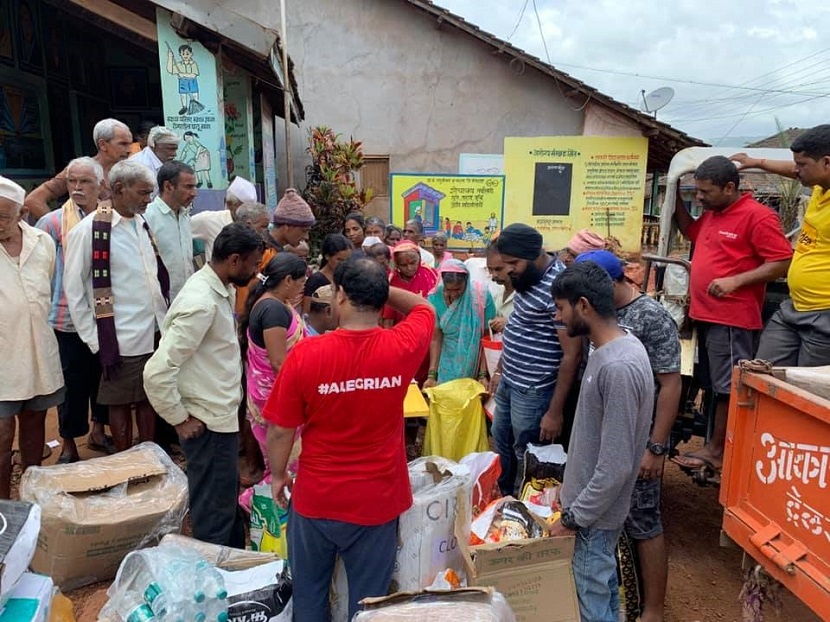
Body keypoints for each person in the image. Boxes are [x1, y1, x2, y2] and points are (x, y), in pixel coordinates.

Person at [263, 257, 436, 621]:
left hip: (317, 498)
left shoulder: (307, 354)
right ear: (379, 298)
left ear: (340, 296)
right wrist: (377, 288)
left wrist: (278, 476)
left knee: (309, 596)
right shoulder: (402, 345)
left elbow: (280, 429)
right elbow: (423, 306)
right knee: (369, 605)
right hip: (378, 501)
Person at [576, 250, 682, 622]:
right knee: (607, 530)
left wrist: (655, 447)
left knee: (644, 522)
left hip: (637, 441)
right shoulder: (599, 317)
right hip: (607, 439)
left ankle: (653, 610)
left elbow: (670, 385)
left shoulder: (651, 317)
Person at [144, 223, 264, 547]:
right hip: (206, 423)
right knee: (214, 509)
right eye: (254, 264)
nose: (256, 272)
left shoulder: (217, 289)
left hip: (218, 417)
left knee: (223, 499)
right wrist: (179, 419)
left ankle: (232, 562)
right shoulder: (201, 302)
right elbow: (157, 371)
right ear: (235, 260)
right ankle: (217, 576)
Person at [671, 156, 792, 472]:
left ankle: (717, 451)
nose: (699, 198)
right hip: (706, 316)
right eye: (696, 191)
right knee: (713, 385)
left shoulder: (757, 217)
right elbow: (690, 231)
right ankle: (714, 445)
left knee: (728, 387)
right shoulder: (714, 213)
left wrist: (735, 281)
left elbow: (781, 261)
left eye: (705, 192)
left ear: (729, 187)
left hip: (731, 318)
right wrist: (673, 200)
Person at [548, 261, 654, 622]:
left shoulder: (618, 367)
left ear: (583, 306)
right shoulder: (614, 347)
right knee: (602, 595)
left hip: (592, 519)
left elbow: (616, 464)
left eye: (561, 308)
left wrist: (574, 518)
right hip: (593, 512)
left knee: (590, 605)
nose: (557, 316)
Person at [64, 160, 169, 453]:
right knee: (120, 402)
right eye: (144, 192)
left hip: (154, 330)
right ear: (120, 189)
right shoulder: (90, 231)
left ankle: (149, 458)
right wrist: (95, 340)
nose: (149, 199)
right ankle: (125, 464)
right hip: (121, 336)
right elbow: (74, 290)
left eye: (151, 192)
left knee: (149, 397)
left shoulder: (141, 224)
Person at [489, 223, 583, 495]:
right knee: (500, 438)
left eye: (511, 263)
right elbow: (518, 325)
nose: (506, 271)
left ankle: (522, 505)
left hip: (534, 390)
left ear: (532, 255)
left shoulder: (559, 288)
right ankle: (503, 495)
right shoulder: (526, 278)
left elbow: (572, 354)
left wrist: (554, 412)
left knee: (526, 452)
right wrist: (500, 372)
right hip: (511, 381)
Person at [732, 125, 830, 367]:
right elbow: (791, 169)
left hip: (824, 316)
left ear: (827, 163)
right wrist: (757, 162)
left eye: (802, 164)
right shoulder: (821, 186)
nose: (796, 170)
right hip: (794, 307)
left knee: (807, 394)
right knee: (763, 372)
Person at [35, 157, 112, 462]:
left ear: (100, 185)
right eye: (72, 182)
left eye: (85, 182)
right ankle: (68, 443)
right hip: (66, 319)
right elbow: (43, 274)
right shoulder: (52, 223)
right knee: (70, 384)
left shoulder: (110, 219)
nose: (77, 188)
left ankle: (98, 431)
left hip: (105, 315)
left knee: (104, 378)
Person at [0, 176, 65, 498]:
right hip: (2, 358)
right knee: (0, 438)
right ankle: (3, 506)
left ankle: (30, 498)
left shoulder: (42, 242)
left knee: (34, 428)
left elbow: (47, 287)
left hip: (39, 352)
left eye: (2, 216)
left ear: (22, 213)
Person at [238, 253, 308, 500]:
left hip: (271, 392)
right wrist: (303, 394)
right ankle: (256, 504)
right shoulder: (273, 311)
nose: (303, 287)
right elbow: (279, 362)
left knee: (282, 460)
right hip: (275, 396)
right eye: (301, 282)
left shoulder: (274, 303)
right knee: (285, 461)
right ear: (288, 280)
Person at [25, 118, 132, 219]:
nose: (128, 150)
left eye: (129, 144)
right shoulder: (80, 170)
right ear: (103, 144)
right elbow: (33, 200)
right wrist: (60, 227)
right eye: (123, 144)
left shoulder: (130, 172)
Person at [424, 259, 495, 387]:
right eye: (448, 289)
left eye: (458, 289)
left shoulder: (481, 295)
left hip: (474, 361)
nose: (454, 294)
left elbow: (487, 336)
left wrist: (483, 374)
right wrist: (432, 374)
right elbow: (436, 337)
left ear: (466, 282)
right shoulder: (434, 297)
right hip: (446, 359)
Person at [144, 161, 196, 302]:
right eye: (188, 187)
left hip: (187, 299)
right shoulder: (148, 217)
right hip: (161, 302)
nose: (194, 193)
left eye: (194, 187)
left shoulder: (185, 215)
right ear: (168, 186)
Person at [191, 176, 257, 261]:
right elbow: (181, 230)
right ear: (230, 204)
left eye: (252, 208)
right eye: (244, 207)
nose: (248, 212)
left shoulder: (255, 224)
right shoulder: (209, 220)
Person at [381, 241, 438, 328]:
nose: (409, 268)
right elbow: (388, 318)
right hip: (402, 332)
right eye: (403, 265)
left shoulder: (429, 273)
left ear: (419, 258)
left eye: (413, 263)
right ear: (396, 264)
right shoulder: (392, 281)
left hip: (428, 329)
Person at [302, 233, 352, 314]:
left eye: (347, 260)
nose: (344, 264)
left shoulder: (348, 277)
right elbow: (306, 313)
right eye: (339, 260)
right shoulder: (315, 281)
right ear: (327, 256)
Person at [486, 242, 514, 333]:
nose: (494, 275)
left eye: (498, 269)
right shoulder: (497, 291)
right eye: (490, 269)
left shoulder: (528, 295)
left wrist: (509, 324)